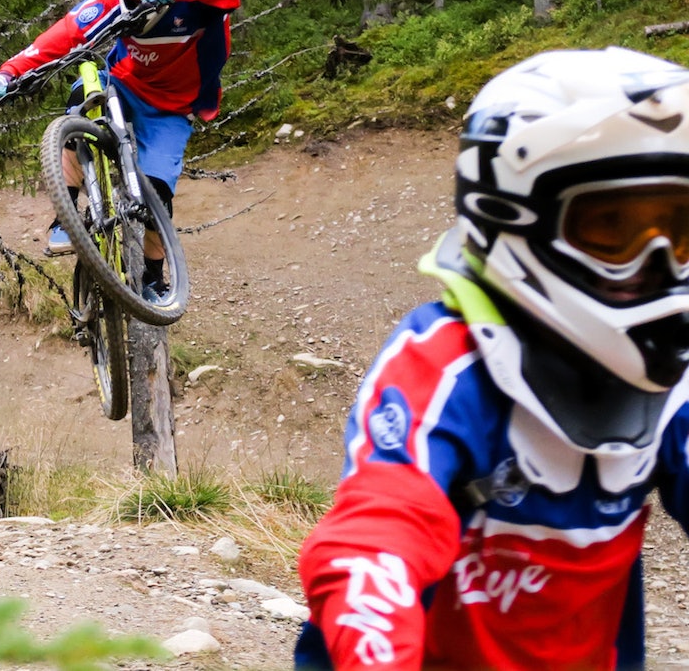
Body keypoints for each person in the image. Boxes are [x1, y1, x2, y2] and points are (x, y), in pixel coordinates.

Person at [295, 46, 689, 671]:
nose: (659, 265)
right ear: (509, 219)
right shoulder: (446, 368)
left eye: (681, 230)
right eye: (615, 230)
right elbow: (376, 540)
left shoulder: (673, 381)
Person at [0, 0, 240, 301]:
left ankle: (153, 278)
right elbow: (65, 34)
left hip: (172, 108)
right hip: (122, 84)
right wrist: (9, 72)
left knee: (157, 192)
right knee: (78, 100)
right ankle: (66, 218)